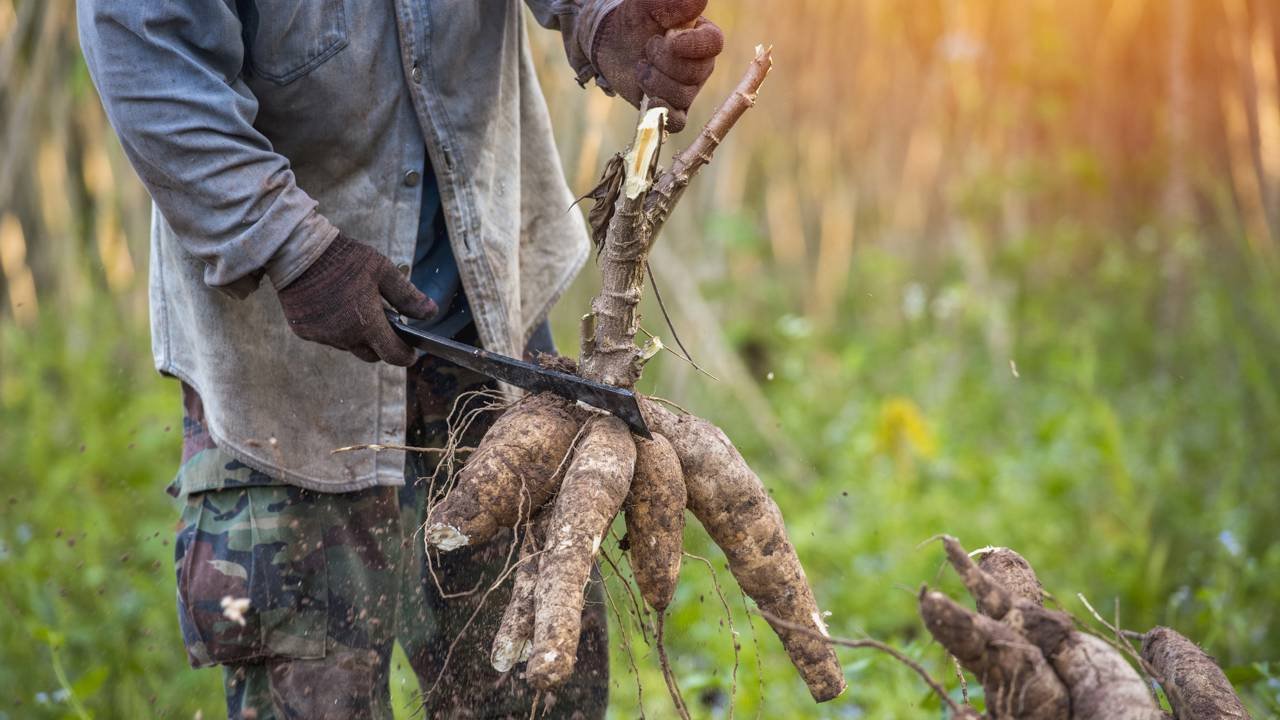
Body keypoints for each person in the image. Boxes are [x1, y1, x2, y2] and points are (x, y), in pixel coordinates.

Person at [77, 1, 724, 717]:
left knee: (539, 686)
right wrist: (289, 246)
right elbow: (148, 60)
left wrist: (602, 17)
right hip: (287, 368)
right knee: (313, 690)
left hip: (492, 330)